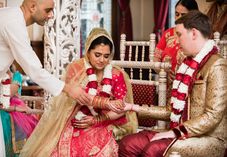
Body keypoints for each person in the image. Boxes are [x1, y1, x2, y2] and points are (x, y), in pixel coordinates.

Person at [119, 10, 227, 157]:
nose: (177, 40)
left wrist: (173, 132)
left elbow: (212, 116)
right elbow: (171, 111)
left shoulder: (217, 65)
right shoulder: (185, 65)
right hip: (179, 131)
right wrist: (133, 107)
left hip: (208, 138)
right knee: (128, 143)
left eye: (180, 34)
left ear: (194, 33)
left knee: (153, 149)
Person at [19, 27, 138, 157]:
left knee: (97, 145)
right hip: (77, 118)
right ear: (88, 52)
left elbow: (121, 107)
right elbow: (81, 97)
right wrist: (107, 103)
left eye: (106, 56)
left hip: (106, 121)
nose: (102, 60)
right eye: (97, 55)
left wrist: (98, 119)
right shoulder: (76, 69)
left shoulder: (116, 74)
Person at [154, 0, 199, 98]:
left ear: (193, 15)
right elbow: (155, 60)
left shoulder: (197, 35)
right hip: (166, 84)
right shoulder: (168, 34)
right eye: (177, 14)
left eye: (183, 15)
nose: (179, 18)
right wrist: (163, 71)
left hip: (190, 86)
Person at [0, 70, 39, 156]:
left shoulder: (16, 75)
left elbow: (7, 95)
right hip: (1, 108)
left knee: (20, 127)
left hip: (12, 108)